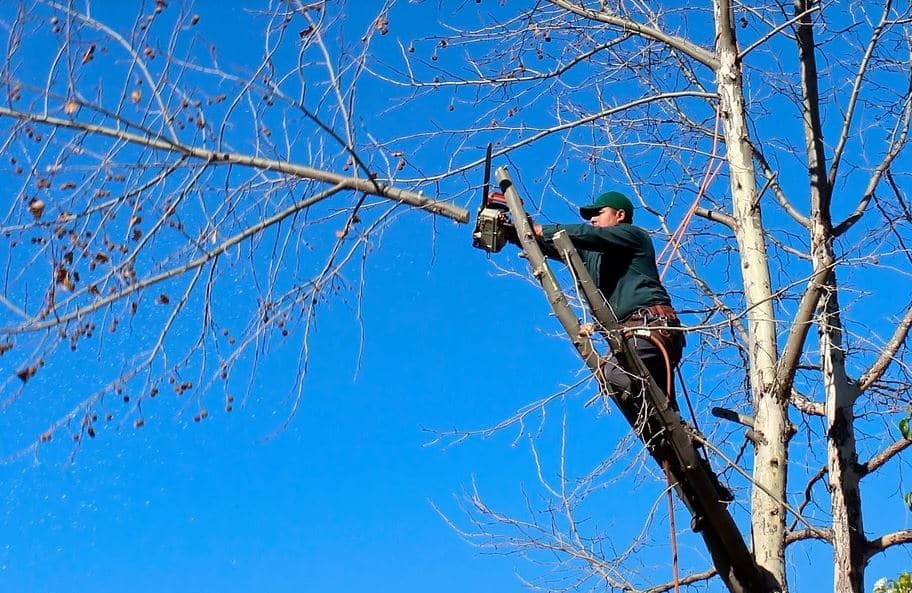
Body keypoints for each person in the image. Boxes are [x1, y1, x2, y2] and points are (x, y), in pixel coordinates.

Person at [529, 191, 685, 404]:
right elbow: (556, 246)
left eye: (598, 213)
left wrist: (542, 229)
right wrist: (516, 231)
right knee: (652, 414)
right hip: (630, 336)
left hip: (651, 326)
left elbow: (589, 235)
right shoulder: (592, 254)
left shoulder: (633, 235)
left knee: (612, 375)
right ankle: (675, 435)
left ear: (619, 215)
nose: (592, 219)